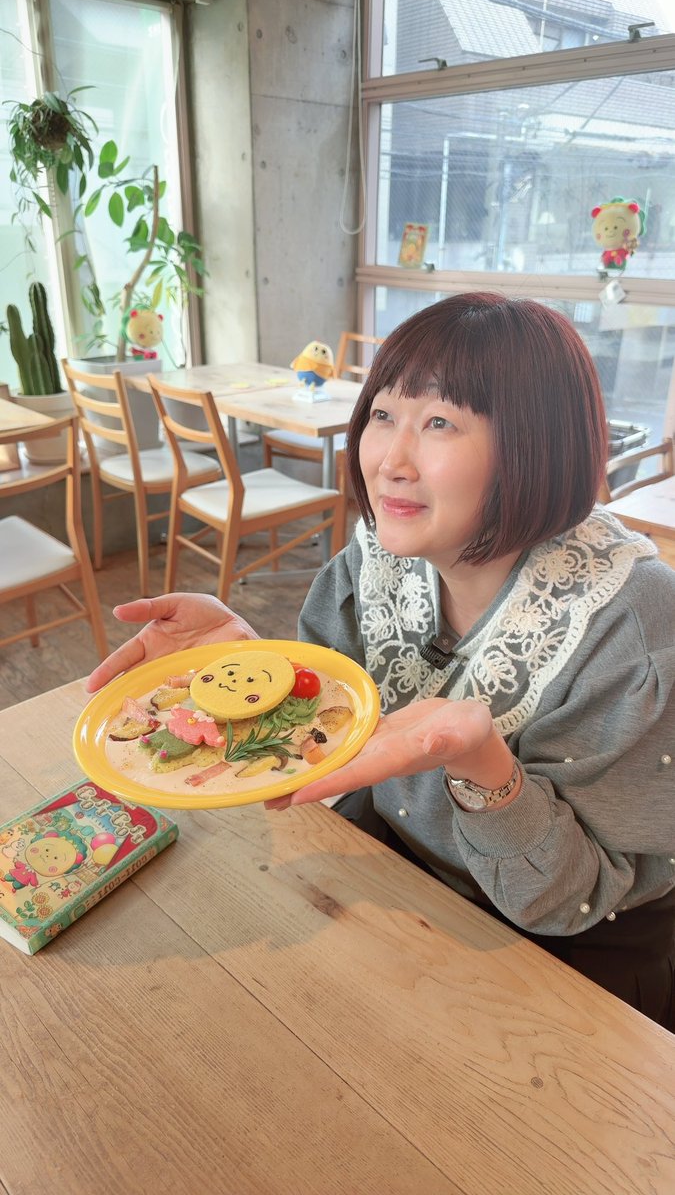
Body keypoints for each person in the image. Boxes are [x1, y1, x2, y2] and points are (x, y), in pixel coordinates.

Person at [87, 293, 675, 1030]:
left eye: (439, 423)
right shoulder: (381, 555)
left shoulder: (631, 625)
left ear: (536, 445)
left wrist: (483, 766)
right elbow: (338, 740)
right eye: (384, 414)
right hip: (400, 884)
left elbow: (571, 898)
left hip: (570, 967)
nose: (389, 461)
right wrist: (252, 667)